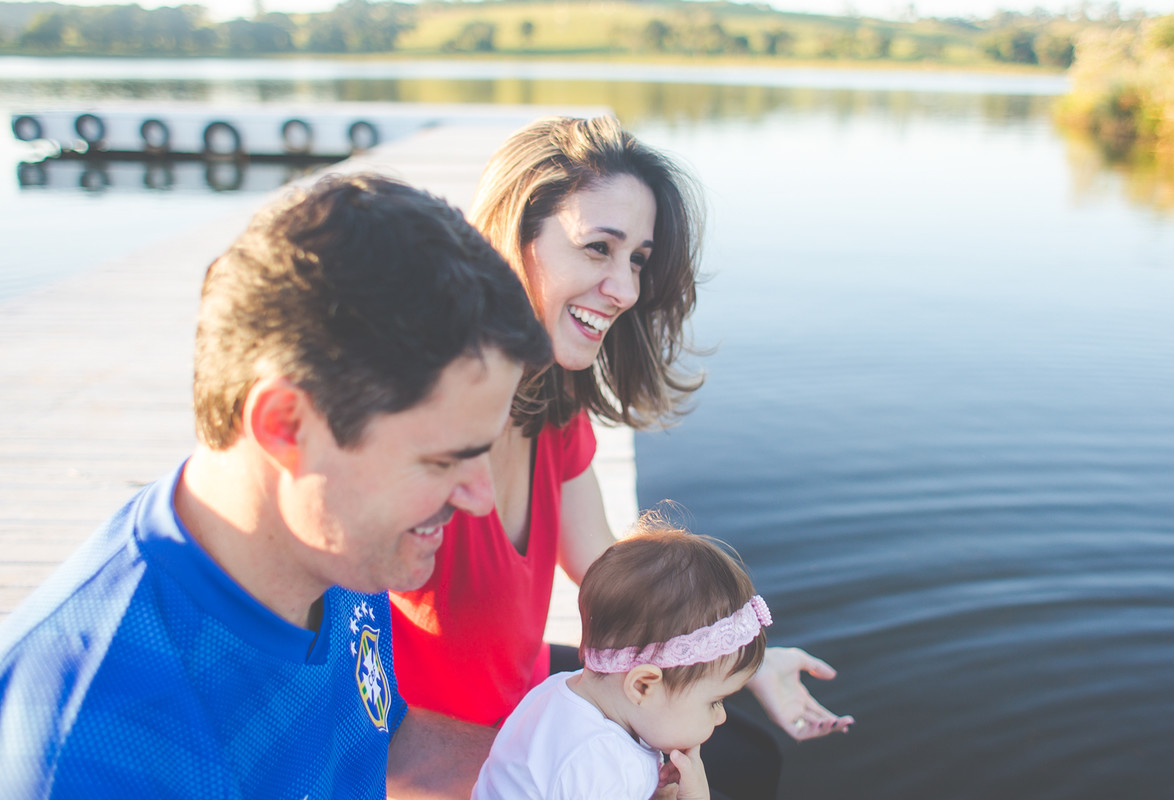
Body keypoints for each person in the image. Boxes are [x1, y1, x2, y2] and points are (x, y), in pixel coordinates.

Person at [0, 174, 551, 799]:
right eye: (442, 460)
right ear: (284, 426)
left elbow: (381, 740)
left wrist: (576, 767)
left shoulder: (339, 552)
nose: (481, 495)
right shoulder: (89, 743)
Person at [390, 116, 853, 800]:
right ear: (511, 238)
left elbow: (600, 558)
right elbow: (338, 685)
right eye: (597, 248)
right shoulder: (415, 435)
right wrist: (534, 768)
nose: (626, 289)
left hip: (524, 708)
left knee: (744, 752)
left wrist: (735, 653)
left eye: (636, 258)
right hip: (444, 753)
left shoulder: (554, 407)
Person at [473, 523, 772, 800]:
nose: (721, 718)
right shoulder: (602, 767)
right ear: (642, 686)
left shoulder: (557, 690)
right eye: (715, 702)